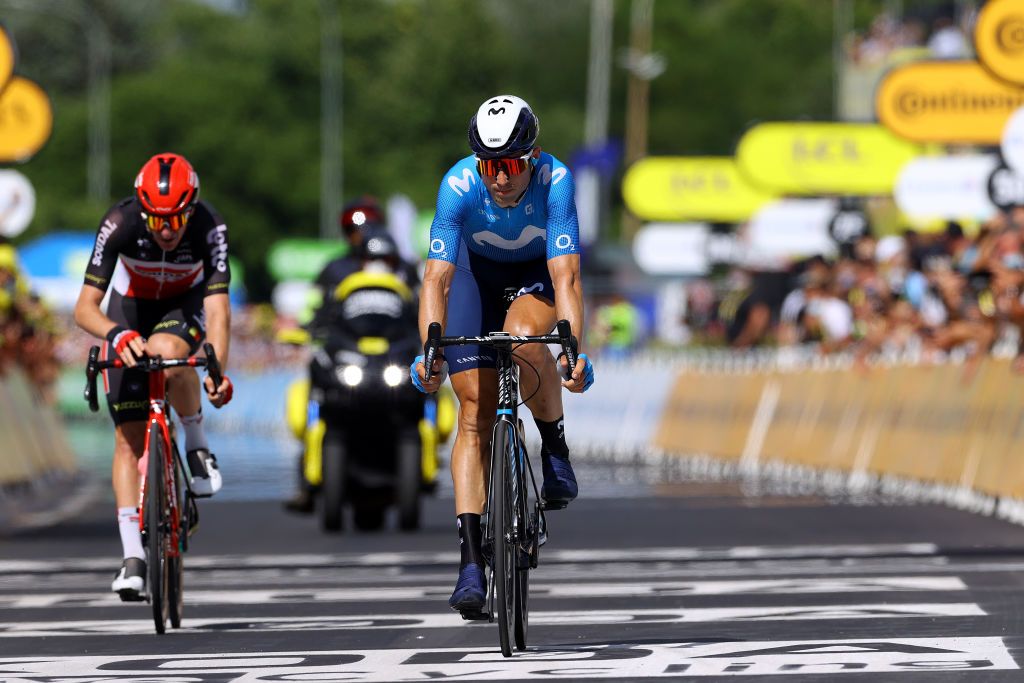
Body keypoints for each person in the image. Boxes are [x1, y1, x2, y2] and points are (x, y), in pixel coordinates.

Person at [411, 94, 595, 615]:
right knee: (474, 411)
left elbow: (567, 276)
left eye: (510, 165)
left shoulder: (556, 180)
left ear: (531, 157)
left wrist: (572, 348)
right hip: (475, 280)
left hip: (534, 278)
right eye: (490, 165)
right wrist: (430, 344)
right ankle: (471, 563)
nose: (499, 177)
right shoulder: (457, 185)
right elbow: (437, 277)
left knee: (522, 338)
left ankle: (554, 446)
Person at [73, 152, 234, 601]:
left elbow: (219, 309)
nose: (166, 229)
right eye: (157, 220)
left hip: (185, 306)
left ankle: (197, 444)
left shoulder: (209, 226)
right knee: (128, 441)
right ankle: (132, 559)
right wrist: (117, 334)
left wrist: (217, 368)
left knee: (167, 353)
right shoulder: (119, 222)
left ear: (192, 208)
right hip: (129, 311)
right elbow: (84, 308)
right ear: (142, 211)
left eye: (176, 218)